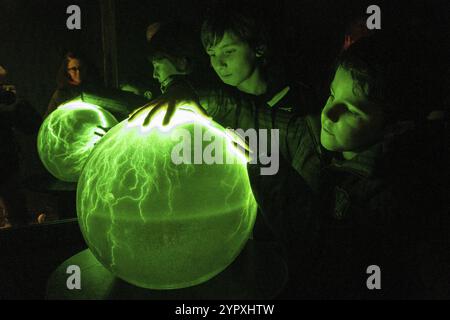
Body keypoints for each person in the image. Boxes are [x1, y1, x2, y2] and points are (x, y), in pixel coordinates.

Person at [278, 31, 449, 299]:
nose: (328, 112)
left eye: (352, 110)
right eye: (332, 94)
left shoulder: (390, 198)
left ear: (396, 127)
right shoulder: (318, 135)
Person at [0, 65, 42, 227]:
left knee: (17, 217)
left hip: (7, 165)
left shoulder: (7, 101)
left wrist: (17, 104)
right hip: (7, 164)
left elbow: (32, 126)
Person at [45, 51, 100, 118]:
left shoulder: (93, 90)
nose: (78, 72)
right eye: (74, 69)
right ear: (67, 71)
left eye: (81, 68)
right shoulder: (61, 94)